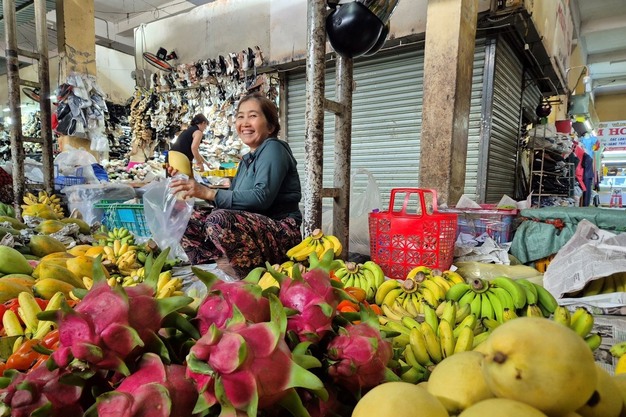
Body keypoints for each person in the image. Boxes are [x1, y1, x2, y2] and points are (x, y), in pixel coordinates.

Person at [168, 92, 303, 278]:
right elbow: (233, 201)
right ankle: (215, 268)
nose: (245, 123)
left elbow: (261, 198)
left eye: (253, 116)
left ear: (270, 126)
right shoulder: (247, 159)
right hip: (253, 230)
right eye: (240, 116)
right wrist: (190, 185)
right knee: (182, 215)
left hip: (281, 232)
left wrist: (209, 193)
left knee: (219, 220)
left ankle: (250, 276)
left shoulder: (274, 147)